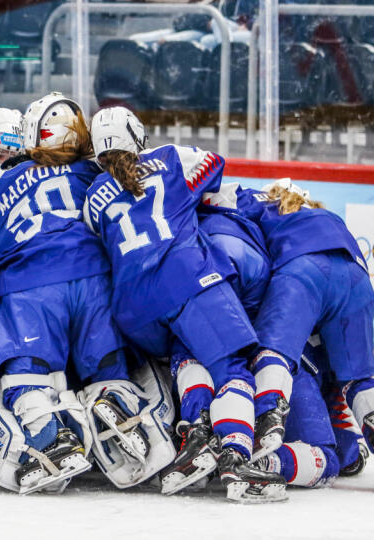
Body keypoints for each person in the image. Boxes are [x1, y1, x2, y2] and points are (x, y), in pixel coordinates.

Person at [85, 106, 286, 502]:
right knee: (230, 366)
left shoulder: (92, 196)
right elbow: (215, 164)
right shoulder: (171, 157)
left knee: (187, 353)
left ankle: (194, 438)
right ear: (137, 136)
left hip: (134, 310)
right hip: (186, 280)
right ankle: (235, 455)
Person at [0, 93, 144, 495]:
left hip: (31, 285)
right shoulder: (93, 173)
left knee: (25, 368)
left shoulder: (3, 181)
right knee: (104, 364)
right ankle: (119, 420)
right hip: (95, 280)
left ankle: (51, 437)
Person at [204, 178, 374, 486]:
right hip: (356, 277)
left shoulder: (262, 203)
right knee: (358, 376)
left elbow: (212, 198)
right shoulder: (326, 216)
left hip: (302, 270)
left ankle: (268, 418)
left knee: (273, 355)